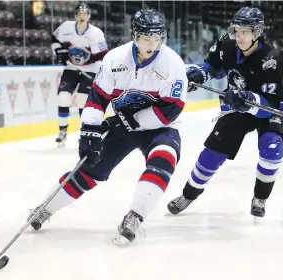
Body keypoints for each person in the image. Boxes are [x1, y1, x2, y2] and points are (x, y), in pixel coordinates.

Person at [28, 9, 187, 244]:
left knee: (164, 159)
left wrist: (127, 121)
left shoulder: (172, 63)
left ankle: (135, 216)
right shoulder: (115, 59)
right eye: (146, 38)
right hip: (123, 126)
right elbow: (97, 98)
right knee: (90, 167)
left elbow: (171, 109)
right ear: (134, 35)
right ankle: (46, 208)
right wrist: (89, 131)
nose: (151, 44)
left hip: (160, 126)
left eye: (156, 38)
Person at [167, 7, 283, 218]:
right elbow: (214, 66)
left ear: (257, 32)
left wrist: (250, 101)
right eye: (236, 30)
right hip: (237, 101)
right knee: (214, 150)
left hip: (270, 107)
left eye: (245, 31)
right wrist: (201, 73)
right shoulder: (226, 44)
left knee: (272, 148)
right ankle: (188, 195)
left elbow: (269, 102)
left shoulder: (271, 58)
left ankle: (260, 197)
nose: (239, 36)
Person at [52, 2, 108, 146]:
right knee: (63, 97)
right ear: (75, 15)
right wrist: (59, 52)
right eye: (79, 13)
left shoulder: (96, 33)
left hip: (90, 69)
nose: (82, 16)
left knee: (83, 100)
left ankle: (84, 132)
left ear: (89, 16)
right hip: (71, 68)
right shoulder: (66, 27)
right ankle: (62, 131)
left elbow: (102, 54)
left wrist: (84, 61)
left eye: (85, 13)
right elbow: (55, 39)